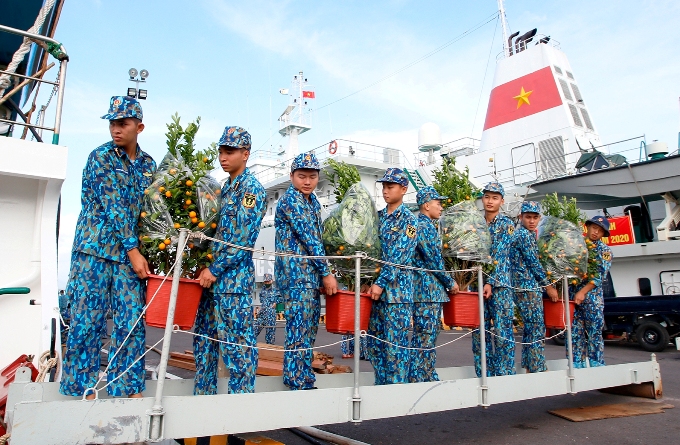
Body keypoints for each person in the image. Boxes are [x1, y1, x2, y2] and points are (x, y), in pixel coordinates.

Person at [60, 96, 155, 399]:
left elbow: (150, 212)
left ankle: (125, 385)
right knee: (87, 322)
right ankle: (79, 388)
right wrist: (134, 251)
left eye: (123, 123)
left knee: (131, 321)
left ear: (139, 126)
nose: (116, 128)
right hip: (95, 252)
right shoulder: (100, 157)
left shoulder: (149, 165)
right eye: (112, 122)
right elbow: (114, 207)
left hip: (130, 257)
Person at [194, 126, 266, 394]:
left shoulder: (251, 190)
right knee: (204, 343)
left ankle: (240, 406)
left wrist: (214, 268)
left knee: (238, 348)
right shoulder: (225, 189)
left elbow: (242, 242)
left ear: (245, 154)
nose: (223, 157)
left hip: (232, 283)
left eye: (230, 151)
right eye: (221, 151)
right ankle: (203, 399)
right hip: (211, 282)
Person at [275, 152, 338, 390]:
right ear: (292, 176)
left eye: (312, 177)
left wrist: (321, 274)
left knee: (309, 329)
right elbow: (310, 239)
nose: (307, 182)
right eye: (302, 176)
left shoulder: (312, 202)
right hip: (295, 276)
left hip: (309, 277)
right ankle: (295, 380)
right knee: (298, 329)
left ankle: (304, 376)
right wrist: (327, 272)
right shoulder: (292, 200)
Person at [367, 168, 418, 385]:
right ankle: (381, 387)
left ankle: (397, 390)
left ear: (403, 189)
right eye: (384, 187)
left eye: (391, 187)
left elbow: (399, 256)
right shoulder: (377, 218)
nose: (386, 191)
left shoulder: (410, 221)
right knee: (375, 344)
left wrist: (380, 283)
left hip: (396, 293)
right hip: (375, 293)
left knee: (395, 346)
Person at [409, 186, 459, 383]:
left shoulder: (425, 224)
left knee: (426, 335)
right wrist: (449, 282)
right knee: (426, 335)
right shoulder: (424, 226)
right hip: (427, 290)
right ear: (426, 205)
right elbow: (433, 260)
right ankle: (422, 375)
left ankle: (422, 373)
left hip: (426, 289)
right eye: (438, 204)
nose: (441, 207)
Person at [472, 182, 515, 377]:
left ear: (502, 201)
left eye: (495, 198)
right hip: (478, 283)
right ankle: (484, 373)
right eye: (487, 197)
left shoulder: (507, 224)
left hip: (499, 285)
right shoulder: (476, 223)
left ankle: (505, 374)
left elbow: (499, 254)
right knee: (479, 331)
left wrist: (490, 282)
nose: (490, 201)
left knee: (502, 330)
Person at [510, 201, 558, 373]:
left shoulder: (525, 234)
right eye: (528, 217)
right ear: (520, 217)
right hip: (527, 286)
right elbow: (533, 263)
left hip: (525, 285)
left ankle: (530, 364)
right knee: (536, 326)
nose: (531, 221)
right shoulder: (523, 235)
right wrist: (549, 286)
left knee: (531, 327)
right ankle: (536, 366)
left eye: (535, 217)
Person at [569, 215, 612, 368]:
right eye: (594, 228)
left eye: (600, 231)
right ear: (588, 227)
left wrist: (583, 292)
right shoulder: (575, 245)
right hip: (573, 296)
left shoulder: (604, 251)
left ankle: (597, 365)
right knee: (574, 333)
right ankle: (577, 365)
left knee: (594, 332)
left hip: (592, 298)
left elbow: (600, 276)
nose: (596, 233)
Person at [255, 273, 282, 344]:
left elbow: (281, 298)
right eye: (265, 281)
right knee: (254, 330)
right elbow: (261, 300)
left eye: (268, 281)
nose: (267, 282)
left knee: (270, 336)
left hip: (270, 315)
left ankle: (270, 352)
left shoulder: (276, 290)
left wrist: (276, 303)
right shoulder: (262, 290)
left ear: (271, 280)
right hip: (262, 314)